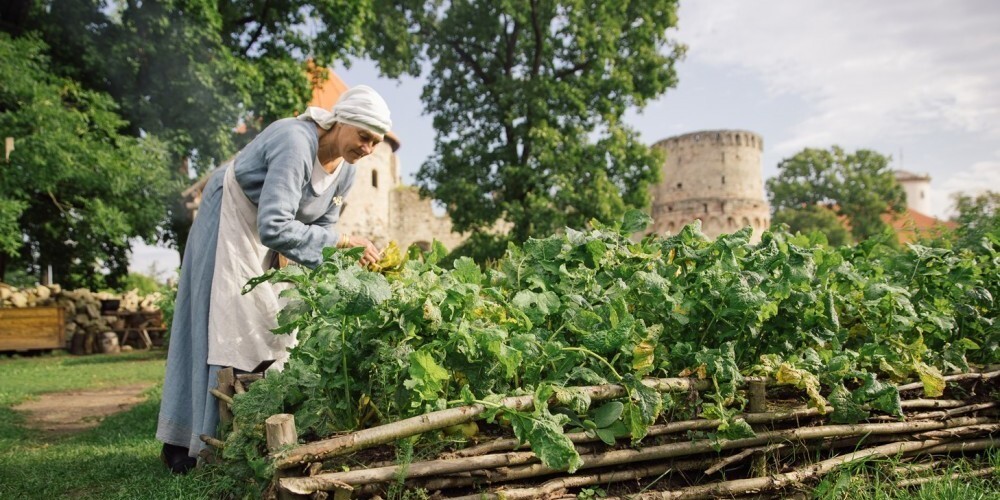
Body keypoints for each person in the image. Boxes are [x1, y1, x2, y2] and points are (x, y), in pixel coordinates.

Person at [156, 85, 390, 473]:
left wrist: (328, 266)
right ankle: (186, 442)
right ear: (341, 122)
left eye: (376, 143)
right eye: (363, 136)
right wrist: (343, 242)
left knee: (275, 323)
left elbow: (322, 227)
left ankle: (247, 434)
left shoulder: (345, 173)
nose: (368, 148)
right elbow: (276, 224)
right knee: (217, 319)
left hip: (272, 230)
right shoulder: (295, 141)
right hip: (231, 215)